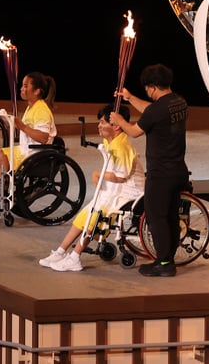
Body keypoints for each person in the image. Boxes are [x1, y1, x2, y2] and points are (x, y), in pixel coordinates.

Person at [39, 104, 146, 272]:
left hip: (131, 192)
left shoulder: (122, 146)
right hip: (117, 188)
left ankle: (75, 257)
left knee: (95, 213)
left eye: (103, 122)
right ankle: (61, 251)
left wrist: (98, 174)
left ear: (116, 126)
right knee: (88, 210)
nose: (99, 125)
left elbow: (121, 176)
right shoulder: (110, 141)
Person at [111, 63, 189, 277]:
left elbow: (135, 131)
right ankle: (168, 259)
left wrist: (119, 121)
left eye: (147, 89)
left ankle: (164, 264)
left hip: (160, 174)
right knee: (171, 217)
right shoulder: (179, 101)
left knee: (156, 217)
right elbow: (152, 111)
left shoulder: (157, 110)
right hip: (178, 171)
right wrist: (130, 97)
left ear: (153, 87)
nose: (147, 93)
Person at [0, 71, 57, 210]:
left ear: (37, 91)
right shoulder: (31, 107)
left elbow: (43, 138)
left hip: (36, 154)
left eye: (26, 86)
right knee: (1, 153)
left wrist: (22, 126)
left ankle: (0, 196)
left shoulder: (42, 110)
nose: (22, 89)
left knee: (2, 156)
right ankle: (0, 194)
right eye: (22, 85)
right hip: (27, 149)